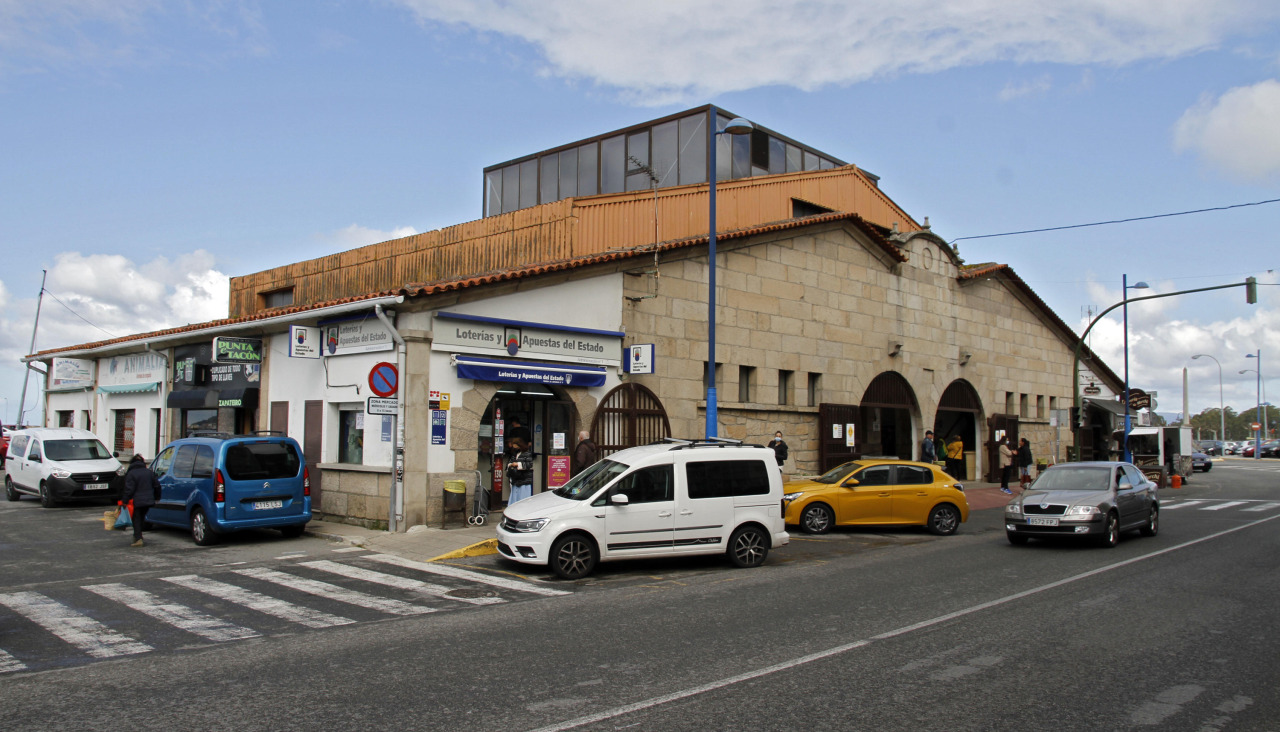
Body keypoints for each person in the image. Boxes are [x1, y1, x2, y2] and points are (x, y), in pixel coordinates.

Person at [121, 454, 161, 547]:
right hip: (148, 500)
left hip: (137, 501)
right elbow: (157, 485)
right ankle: (138, 536)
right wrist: (157, 497)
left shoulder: (131, 474)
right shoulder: (149, 472)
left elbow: (129, 489)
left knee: (136, 519)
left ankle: (138, 538)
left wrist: (125, 501)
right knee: (141, 517)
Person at [506, 436, 533, 505]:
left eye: (514, 444)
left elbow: (529, 464)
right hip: (516, 479)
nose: (513, 446)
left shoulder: (527, 453)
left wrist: (517, 464)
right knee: (515, 497)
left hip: (524, 479)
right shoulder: (515, 453)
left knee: (523, 497)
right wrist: (511, 465)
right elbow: (510, 462)